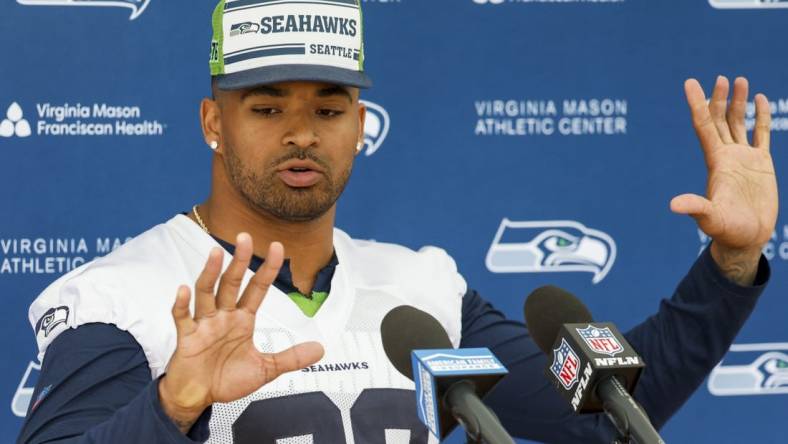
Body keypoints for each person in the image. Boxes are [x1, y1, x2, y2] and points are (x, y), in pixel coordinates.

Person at [17, 1, 778, 443]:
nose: (302, 131)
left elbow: (603, 412)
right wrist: (172, 403)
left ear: (360, 124)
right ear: (214, 121)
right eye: (267, 105)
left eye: (328, 106)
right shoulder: (122, 296)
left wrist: (730, 265)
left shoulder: (423, 292)